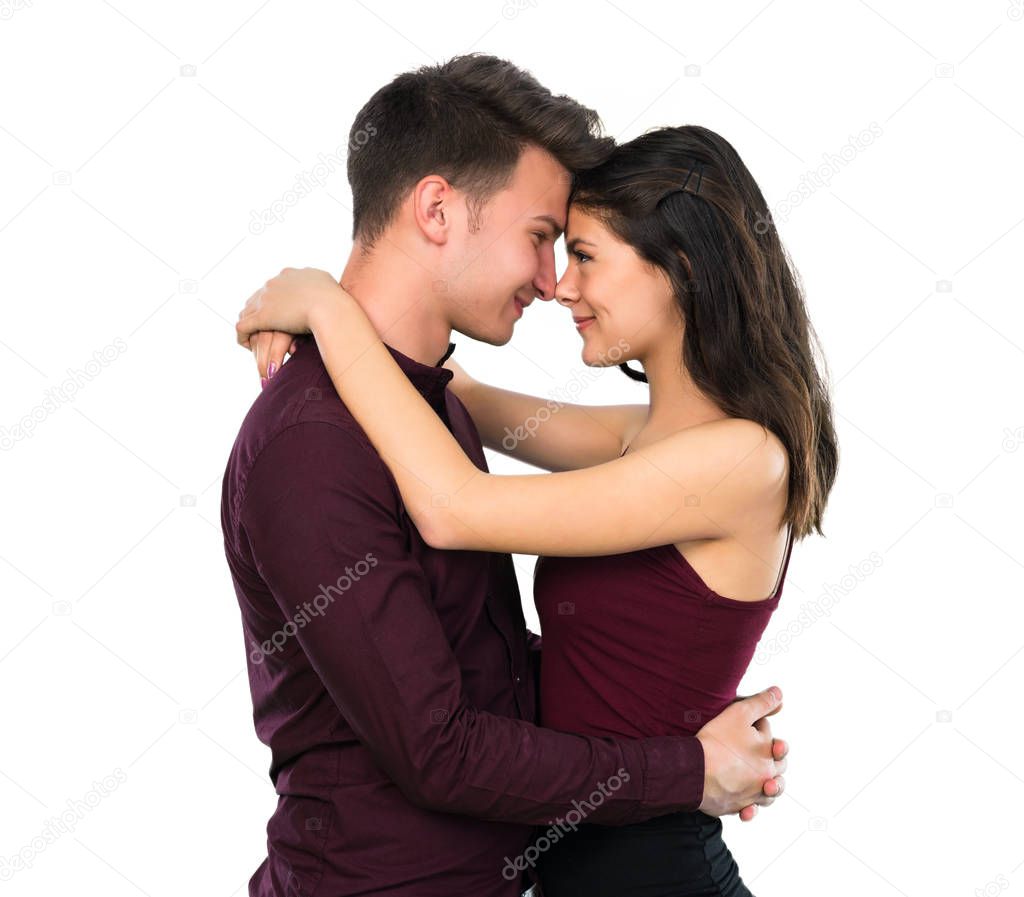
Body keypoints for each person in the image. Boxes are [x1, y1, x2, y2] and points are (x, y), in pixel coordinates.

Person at [223, 54, 791, 897]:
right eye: (542, 238)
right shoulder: (321, 442)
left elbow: (484, 632)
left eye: (577, 254)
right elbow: (440, 743)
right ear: (438, 209)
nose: (553, 282)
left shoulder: (441, 413)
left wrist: (327, 312)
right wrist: (680, 760)